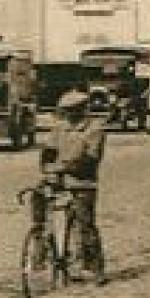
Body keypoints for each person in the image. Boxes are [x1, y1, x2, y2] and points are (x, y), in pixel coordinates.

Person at [43, 90, 107, 284]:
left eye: (72, 111)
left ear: (82, 110)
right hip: (58, 180)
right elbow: (48, 152)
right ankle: (45, 254)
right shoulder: (59, 128)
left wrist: (63, 167)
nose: (68, 115)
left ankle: (95, 268)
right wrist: (47, 170)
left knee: (85, 225)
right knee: (39, 209)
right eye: (66, 111)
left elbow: (90, 160)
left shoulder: (95, 129)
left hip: (83, 182)